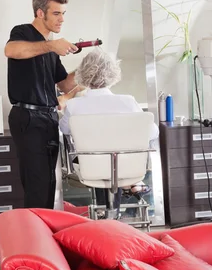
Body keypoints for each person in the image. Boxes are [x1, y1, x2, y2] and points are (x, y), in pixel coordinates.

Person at [5, 0, 80, 209]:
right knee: (37, 183)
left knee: (49, 182)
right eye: (56, 13)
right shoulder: (23, 32)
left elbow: (65, 84)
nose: (62, 19)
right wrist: (51, 45)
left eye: (63, 13)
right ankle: (34, 241)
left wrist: (88, 70)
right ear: (40, 13)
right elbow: (11, 51)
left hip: (48, 118)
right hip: (27, 117)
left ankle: (44, 237)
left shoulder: (51, 52)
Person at [59, 48, 159, 209]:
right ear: (113, 73)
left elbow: (64, 130)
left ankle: (106, 213)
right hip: (127, 165)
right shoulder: (128, 102)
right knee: (115, 158)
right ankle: (118, 205)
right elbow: (152, 132)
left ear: (82, 74)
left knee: (100, 160)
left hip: (90, 167)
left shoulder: (74, 105)